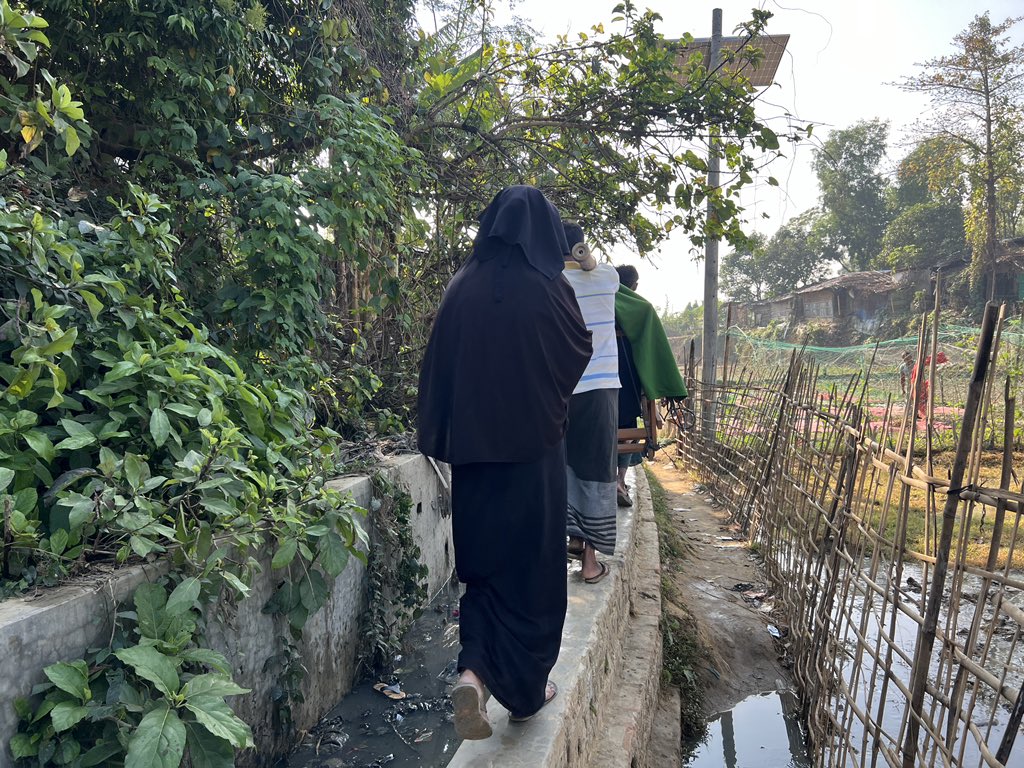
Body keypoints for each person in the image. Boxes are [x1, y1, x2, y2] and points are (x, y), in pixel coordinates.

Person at [417, 186, 593, 740]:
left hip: (475, 463)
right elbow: (575, 354)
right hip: (532, 463)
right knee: (532, 575)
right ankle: (525, 690)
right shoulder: (548, 287)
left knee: (484, 574)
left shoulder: (460, 287)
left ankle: (473, 672)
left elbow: (436, 369)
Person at [561, 222, 620, 584]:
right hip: (600, 389)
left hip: (562, 389)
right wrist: (589, 260)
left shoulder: (551, 282)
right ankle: (590, 562)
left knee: (564, 465)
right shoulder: (607, 278)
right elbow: (604, 271)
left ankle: (572, 536)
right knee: (597, 468)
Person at [613, 265, 689, 504]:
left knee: (598, 432)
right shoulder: (642, 309)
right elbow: (653, 353)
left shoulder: (594, 301)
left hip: (592, 382)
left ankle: (607, 482)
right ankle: (619, 480)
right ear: (634, 286)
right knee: (627, 433)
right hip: (628, 387)